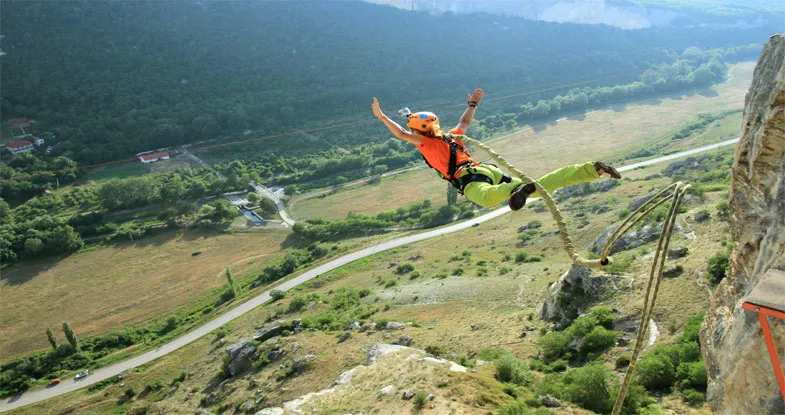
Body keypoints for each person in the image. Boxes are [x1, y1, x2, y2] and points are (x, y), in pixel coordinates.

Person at [371, 88, 621, 210]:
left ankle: (516, 189)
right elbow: (464, 122)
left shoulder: (427, 143)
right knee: (541, 187)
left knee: (488, 200)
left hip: (470, 179)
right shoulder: (451, 137)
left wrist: (383, 118)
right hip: (488, 170)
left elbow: (403, 134)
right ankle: (591, 169)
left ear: (418, 132)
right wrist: (472, 103)